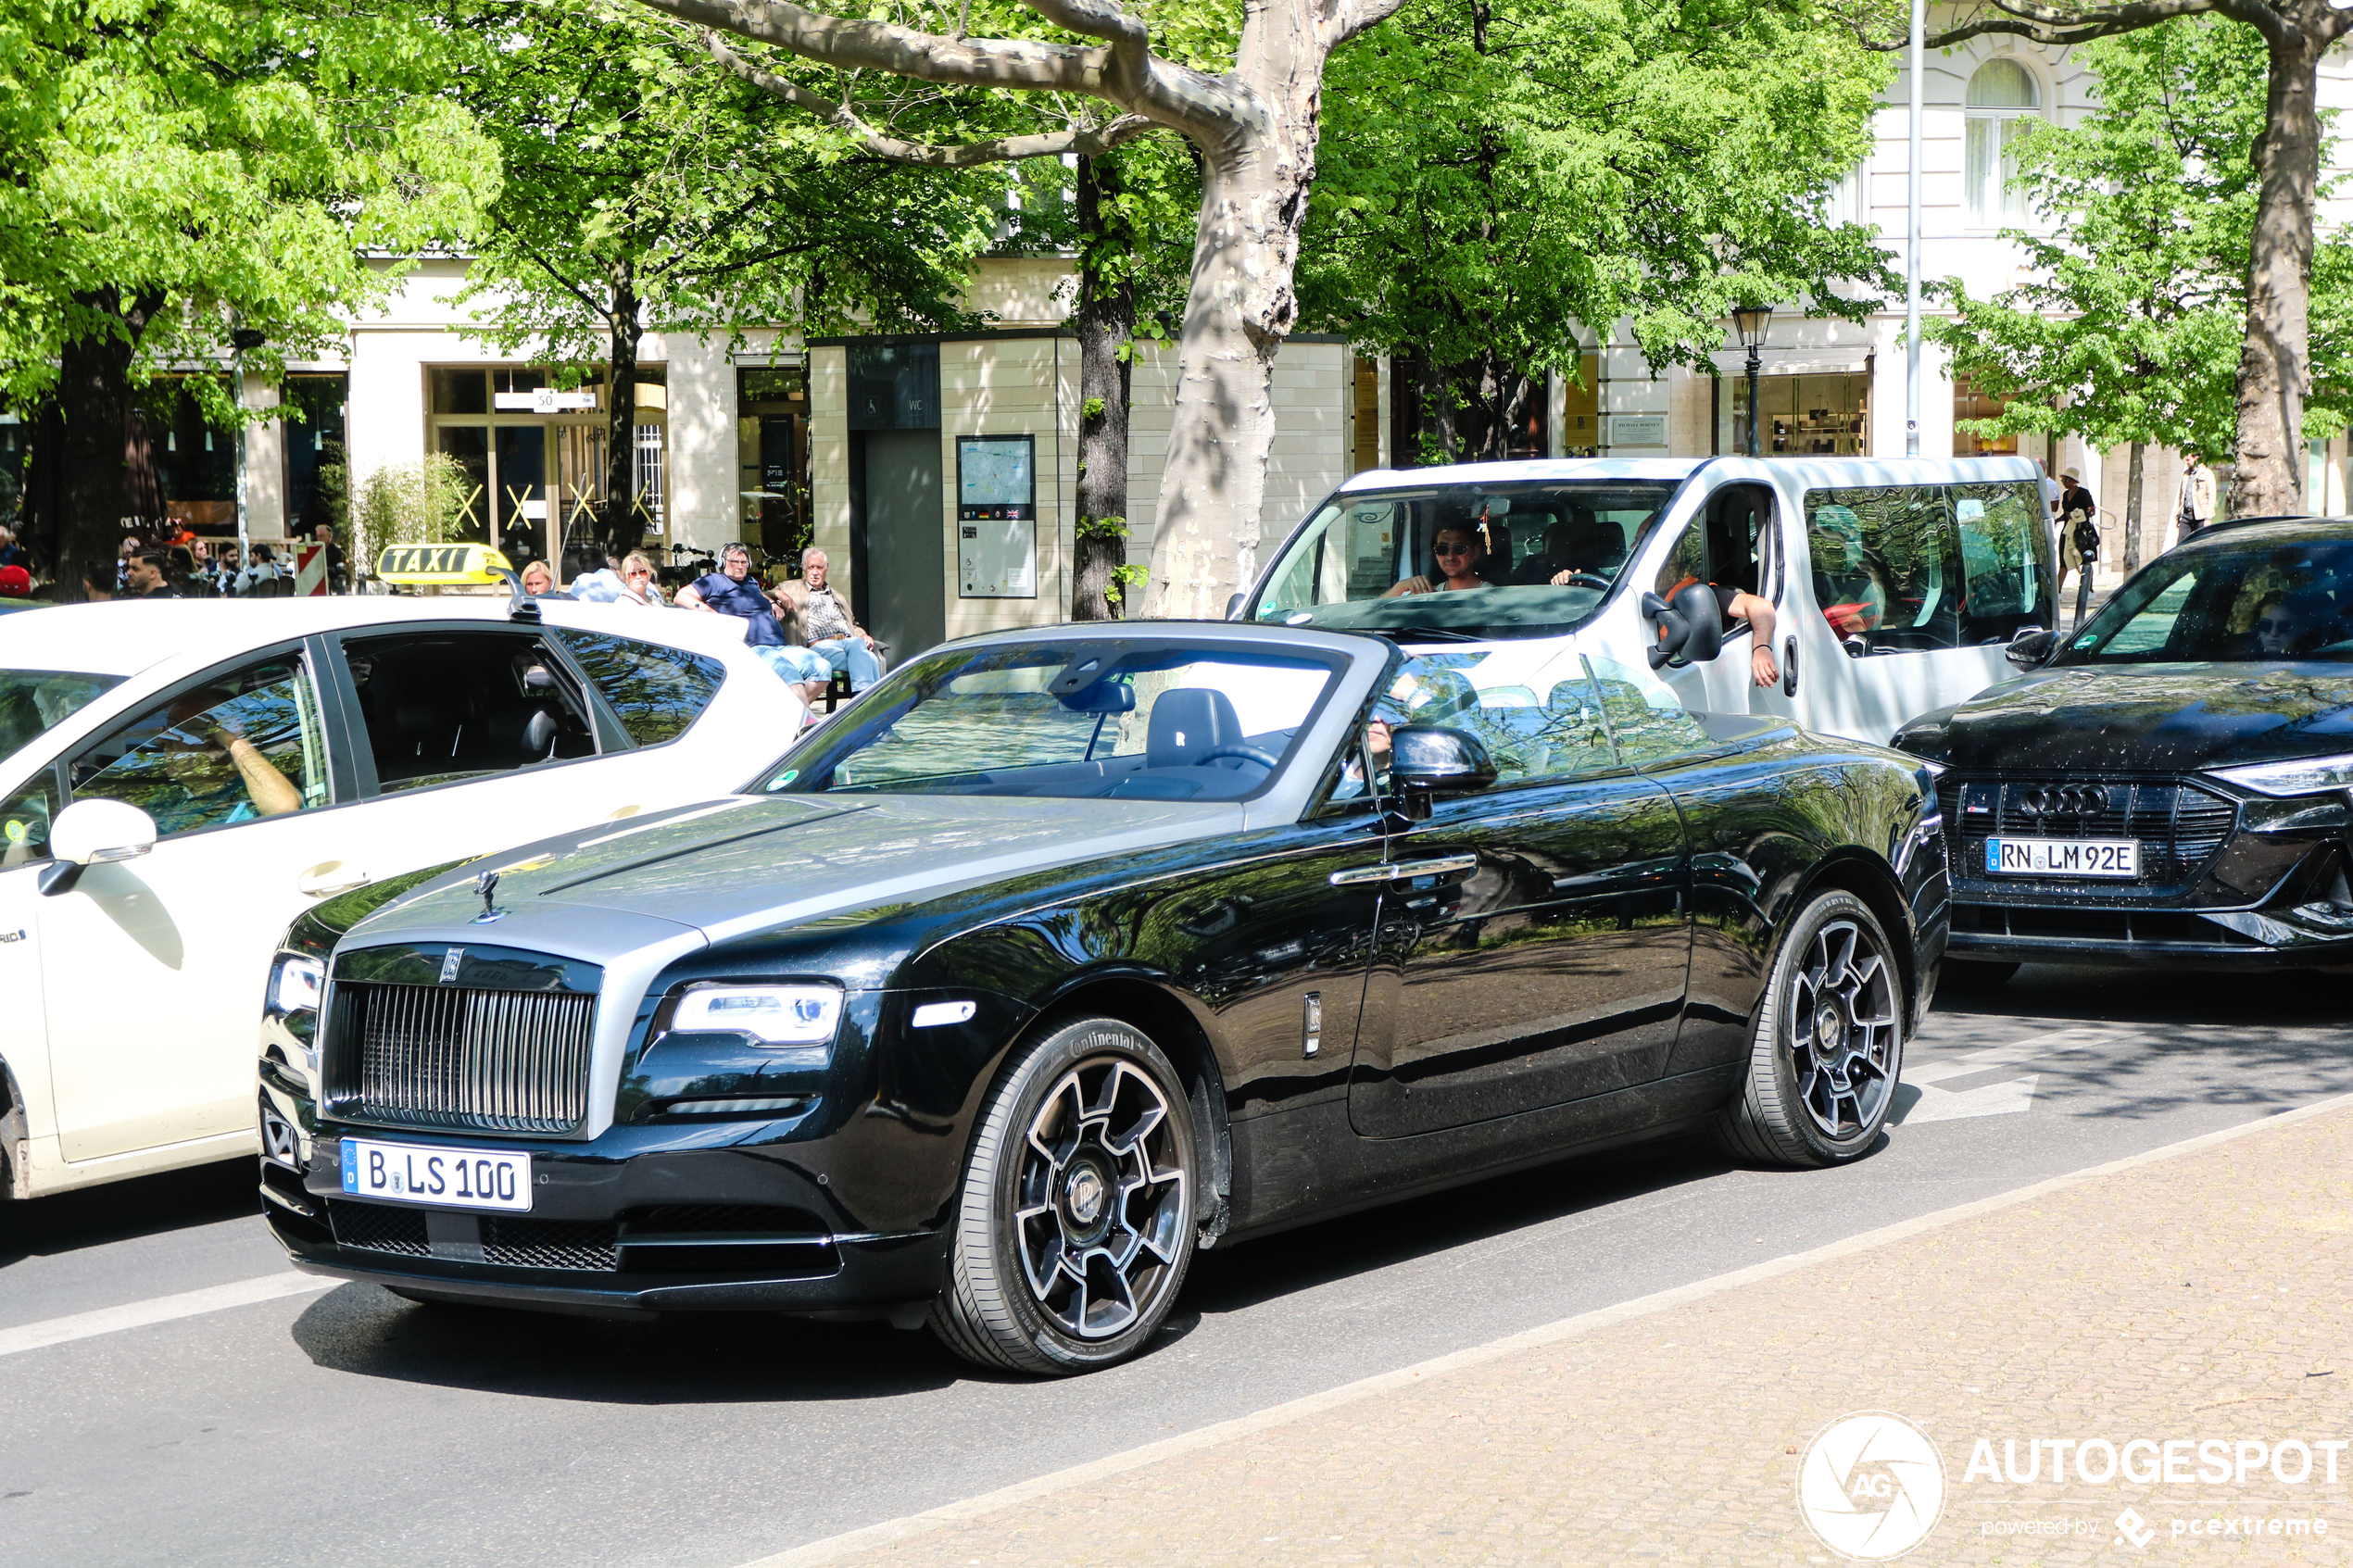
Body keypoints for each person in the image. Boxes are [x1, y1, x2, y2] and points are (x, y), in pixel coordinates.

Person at [776, 547, 885, 691]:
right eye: (811, 567)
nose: (815, 572)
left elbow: (852, 624)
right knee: (868, 659)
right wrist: (778, 595)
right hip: (819, 647)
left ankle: (864, 698)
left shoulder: (837, 595)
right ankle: (865, 699)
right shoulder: (790, 588)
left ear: (826, 568)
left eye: (819, 567)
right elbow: (766, 594)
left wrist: (862, 634)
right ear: (804, 568)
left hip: (847, 644)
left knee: (865, 654)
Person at [1382, 521, 1493, 597]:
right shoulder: (1427, 594)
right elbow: (1371, 614)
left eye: (1460, 549)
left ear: (1476, 551)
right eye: (1442, 549)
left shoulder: (1493, 595)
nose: (1450, 556)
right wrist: (1400, 587)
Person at [2176, 452, 2217, 545]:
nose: (2186, 461)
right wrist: (2178, 515)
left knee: (2200, 543)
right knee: (2181, 544)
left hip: (2201, 516)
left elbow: (2212, 497)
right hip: (2186, 515)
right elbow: (2181, 495)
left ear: (2196, 458)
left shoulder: (2207, 474)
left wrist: (2208, 518)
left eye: (2188, 459)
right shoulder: (2186, 474)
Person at [313, 523, 346, 593]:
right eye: (318, 536)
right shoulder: (314, 550)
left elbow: (337, 570)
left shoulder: (336, 551)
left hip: (331, 578)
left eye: (321, 536)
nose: (319, 539)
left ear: (330, 536)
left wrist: (324, 571)